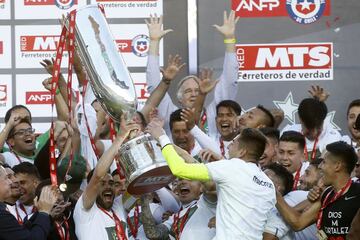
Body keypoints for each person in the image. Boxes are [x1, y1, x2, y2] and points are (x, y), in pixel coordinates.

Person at [146, 119, 276, 239]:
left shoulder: (233, 167)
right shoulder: (269, 185)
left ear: (242, 152)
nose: (228, 147)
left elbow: (179, 169)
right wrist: (179, 151)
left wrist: (162, 137)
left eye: (233, 143)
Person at [146, 11, 239, 138]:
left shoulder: (215, 115)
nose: (195, 94)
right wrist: (154, 42)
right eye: (188, 91)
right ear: (179, 99)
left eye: (197, 90)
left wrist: (230, 39)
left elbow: (229, 81)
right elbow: (154, 87)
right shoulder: (171, 114)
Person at [275, 141, 360, 239]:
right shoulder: (326, 195)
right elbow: (298, 223)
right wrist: (274, 193)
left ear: (337, 166)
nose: (319, 167)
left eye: (324, 162)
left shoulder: (358, 193)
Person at [73, 117, 139, 240]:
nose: (108, 186)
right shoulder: (85, 209)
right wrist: (119, 138)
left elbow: (139, 185)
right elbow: (98, 175)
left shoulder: (119, 206)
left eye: (111, 183)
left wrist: (133, 142)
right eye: (102, 184)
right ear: (90, 189)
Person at [141, 178, 216, 240]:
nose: (182, 182)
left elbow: (210, 184)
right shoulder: (174, 218)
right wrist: (144, 197)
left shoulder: (207, 203)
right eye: (180, 179)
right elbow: (153, 234)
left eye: (190, 179)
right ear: (177, 190)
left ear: (201, 188)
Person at [0, 165, 58, 240]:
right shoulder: (1, 215)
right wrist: (44, 212)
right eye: (6, 178)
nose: (10, 182)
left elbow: (21, 232)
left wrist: (46, 216)